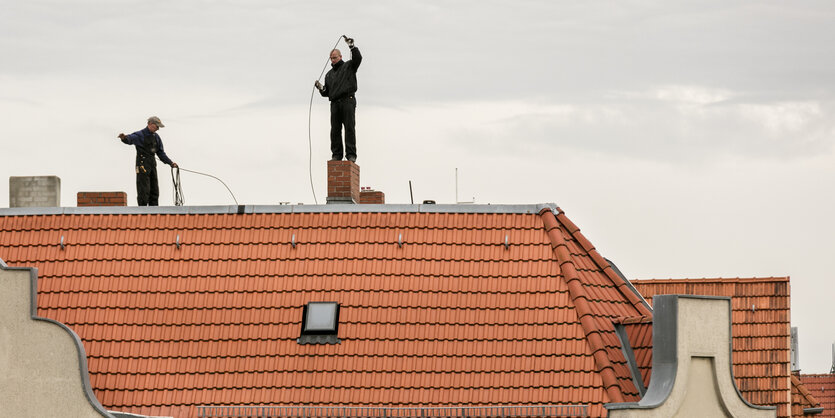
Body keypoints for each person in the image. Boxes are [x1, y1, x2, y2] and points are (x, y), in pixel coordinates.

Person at [315, 36, 363, 162]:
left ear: (340, 57)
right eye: (331, 58)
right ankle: (337, 155)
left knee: (349, 128)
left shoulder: (349, 66)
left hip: (348, 100)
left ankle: (351, 155)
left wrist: (352, 47)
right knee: (335, 130)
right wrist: (321, 88)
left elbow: (358, 59)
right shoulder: (329, 75)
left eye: (335, 57)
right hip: (335, 103)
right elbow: (327, 92)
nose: (333, 60)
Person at [118, 116, 178, 206]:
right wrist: (124, 138)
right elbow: (130, 139)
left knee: (154, 190)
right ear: (150, 124)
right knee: (144, 189)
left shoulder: (156, 137)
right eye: (156, 126)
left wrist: (170, 163)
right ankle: (143, 212)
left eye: (158, 127)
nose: (158, 129)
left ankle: (154, 212)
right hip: (142, 164)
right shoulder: (140, 135)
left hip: (152, 164)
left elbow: (161, 153)